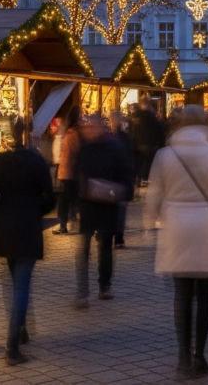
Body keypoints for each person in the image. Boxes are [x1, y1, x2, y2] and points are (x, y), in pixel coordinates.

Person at [145, 104, 208, 378]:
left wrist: (150, 223)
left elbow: (154, 193)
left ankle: (183, 356)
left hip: (176, 224)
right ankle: (200, 355)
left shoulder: (165, 154)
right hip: (206, 225)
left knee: (182, 293)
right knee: (205, 294)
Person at [0, 117, 56, 366]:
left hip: (5, 227)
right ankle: (12, 345)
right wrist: (36, 209)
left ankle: (20, 327)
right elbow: (50, 197)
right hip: (28, 227)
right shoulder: (36, 162)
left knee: (12, 283)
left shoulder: (0, 162)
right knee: (22, 285)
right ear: (28, 134)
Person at [73, 113, 134, 306]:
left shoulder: (114, 147)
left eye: (91, 127)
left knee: (105, 248)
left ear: (101, 128)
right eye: (86, 127)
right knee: (83, 250)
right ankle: (83, 291)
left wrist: (122, 195)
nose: (88, 131)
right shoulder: (84, 149)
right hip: (89, 206)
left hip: (107, 206)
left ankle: (104, 286)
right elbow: (77, 175)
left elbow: (126, 174)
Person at [53, 108, 81, 235]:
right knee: (72, 199)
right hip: (72, 172)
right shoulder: (76, 134)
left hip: (67, 171)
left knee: (65, 200)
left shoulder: (70, 134)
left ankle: (64, 225)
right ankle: (69, 223)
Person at [109, 111, 134, 247]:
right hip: (122, 178)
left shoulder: (108, 137)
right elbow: (130, 159)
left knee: (116, 209)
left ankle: (116, 235)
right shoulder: (125, 138)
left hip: (114, 178)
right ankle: (118, 237)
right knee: (120, 210)